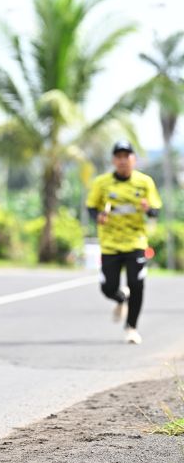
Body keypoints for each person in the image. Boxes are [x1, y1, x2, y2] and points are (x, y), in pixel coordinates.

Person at [86, 140, 162, 344]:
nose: (122, 160)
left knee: (136, 284)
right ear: (113, 160)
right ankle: (121, 298)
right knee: (107, 288)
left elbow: (155, 210)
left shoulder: (144, 182)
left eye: (126, 156)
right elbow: (91, 207)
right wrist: (98, 216)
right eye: (118, 156)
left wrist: (148, 209)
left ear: (133, 159)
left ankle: (131, 328)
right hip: (110, 244)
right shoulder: (102, 183)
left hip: (136, 242)